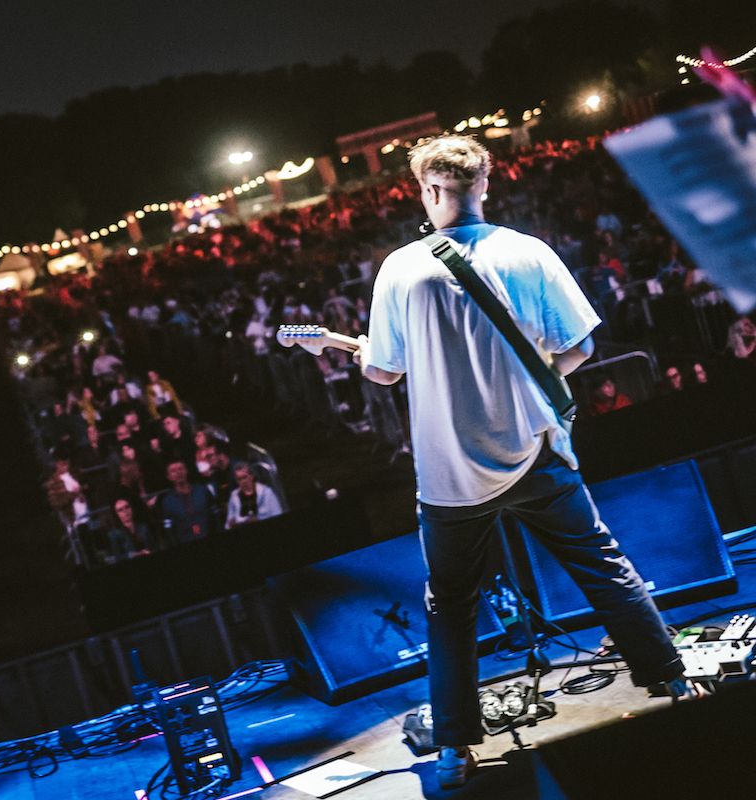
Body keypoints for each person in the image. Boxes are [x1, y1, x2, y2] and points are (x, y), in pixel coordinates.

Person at [356, 134, 694, 790]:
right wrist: (530, 375)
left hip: (452, 476)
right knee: (603, 569)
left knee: (450, 607)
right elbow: (579, 348)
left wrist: (356, 352)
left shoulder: (400, 268)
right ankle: (674, 683)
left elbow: (383, 371)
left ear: (428, 191)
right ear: (486, 184)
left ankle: (455, 751)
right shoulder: (527, 252)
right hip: (536, 452)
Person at [157, 461, 215, 544]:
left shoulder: (202, 491)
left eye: (180, 469)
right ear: (169, 477)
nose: (178, 473)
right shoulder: (167, 502)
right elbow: (169, 532)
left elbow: (215, 517)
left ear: (186, 471)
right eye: (173, 471)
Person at [224, 462, 283, 528]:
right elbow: (228, 524)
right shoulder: (234, 496)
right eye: (239, 479)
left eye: (244, 477)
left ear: (252, 475)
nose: (243, 481)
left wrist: (260, 519)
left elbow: (278, 514)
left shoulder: (266, 492)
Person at [106, 497, 156, 562]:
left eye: (127, 507)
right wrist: (134, 555)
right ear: (116, 514)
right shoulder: (114, 535)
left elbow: (154, 547)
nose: (125, 511)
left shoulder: (144, 527)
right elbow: (117, 557)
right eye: (120, 510)